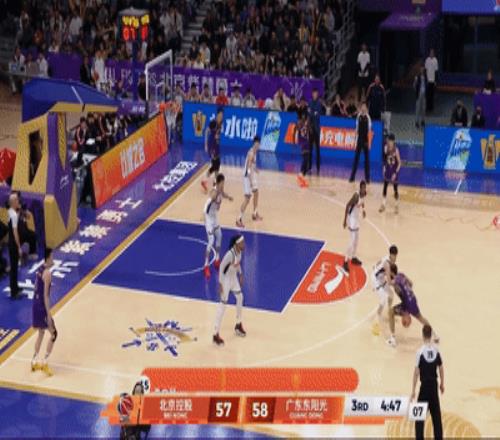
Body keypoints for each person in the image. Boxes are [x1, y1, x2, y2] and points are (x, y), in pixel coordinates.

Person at [387, 265, 438, 347]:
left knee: (391, 312)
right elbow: (411, 283)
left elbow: (389, 283)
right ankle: (435, 335)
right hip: (412, 299)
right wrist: (406, 291)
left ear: (391, 272)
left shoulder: (395, 280)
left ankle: (392, 339)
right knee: (420, 318)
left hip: (407, 303)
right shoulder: (401, 275)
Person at [411, 324, 444, 440]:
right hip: (434, 386)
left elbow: (416, 373)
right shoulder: (436, 350)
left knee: (419, 417)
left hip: (424, 387)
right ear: (430, 335)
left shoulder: (419, 352)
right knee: (436, 417)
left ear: (423, 335)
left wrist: (413, 390)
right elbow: (441, 368)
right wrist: (442, 384)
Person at [213, 234, 246, 346]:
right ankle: (215, 334)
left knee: (240, 297)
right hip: (226, 280)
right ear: (236, 244)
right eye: (242, 243)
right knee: (223, 305)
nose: (244, 244)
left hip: (233, 278)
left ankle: (238, 324)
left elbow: (238, 264)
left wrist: (240, 274)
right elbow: (221, 267)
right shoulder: (229, 254)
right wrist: (220, 284)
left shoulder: (239, 252)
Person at [31, 248, 57, 376]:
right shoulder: (47, 273)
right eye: (52, 256)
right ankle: (45, 362)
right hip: (42, 307)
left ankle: (34, 361)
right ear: (48, 258)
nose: (53, 259)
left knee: (41, 333)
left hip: (35, 305)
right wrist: (49, 314)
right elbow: (46, 296)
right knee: (54, 334)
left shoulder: (40, 269)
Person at [204, 174, 233, 279]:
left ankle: (217, 259)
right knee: (211, 241)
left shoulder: (220, 190)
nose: (224, 184)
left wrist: (228, 197)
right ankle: (206, 266)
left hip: (214, 216)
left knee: (219, 236)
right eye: (223, 182)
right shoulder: (214, 192)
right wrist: (205, 215)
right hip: (208, 218)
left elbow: (223, 194)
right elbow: (209, 202)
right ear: (219, 182)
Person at [371, 245, 398, 336]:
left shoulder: (387, 258)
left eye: (396, 256)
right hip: (376, 279)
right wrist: (398, 282)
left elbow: (377, 263)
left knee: (391, 295)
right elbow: (389, 282)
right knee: (382, 301)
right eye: (394, 256)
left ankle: (389, 312)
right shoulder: (387, 264)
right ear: (391, 255)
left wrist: (376, 267)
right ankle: (375, 324)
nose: (395, 258)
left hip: (381, 278)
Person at [236, 137, 262, 227]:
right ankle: (238, 219)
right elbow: (248, 169)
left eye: (258, 145)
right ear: (254, 144)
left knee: (256, 192)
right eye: (256, 144)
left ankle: (254, 213)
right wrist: (250, 181)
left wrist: (256, 169)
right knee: (247, 198)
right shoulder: (251, 153)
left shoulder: (255, 152)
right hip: (247, 177)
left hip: (251, 176)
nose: (257, 146)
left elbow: (252, 165)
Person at [342, 180, 367, 273]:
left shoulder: (364, 194)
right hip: (351, 219)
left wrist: (363, 210)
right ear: (360, 188)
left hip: (356, 218)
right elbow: (347, 205)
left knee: (356, 240)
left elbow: (362, 202)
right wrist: (345, 220)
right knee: (351, 241)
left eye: (365, 188)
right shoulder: (356, 196)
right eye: (363, 188)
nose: (364, 189)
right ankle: (345, 261)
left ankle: (353, 257)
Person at [201, 108, 223, 192]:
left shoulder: (221, 123)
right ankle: (207, 182)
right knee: (215, 166)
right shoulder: (213, 122)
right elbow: (206, 131)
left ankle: (214, 183)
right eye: (220, 115)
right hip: (212, 146)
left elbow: (218, 134)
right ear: (217, 115)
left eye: (222, 115)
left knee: (217, 165)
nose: (221, 117)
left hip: (216, 145)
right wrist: (206, 144)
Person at [349, 102, 372, 183]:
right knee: (356, 159)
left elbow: (369, 131)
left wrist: (369, 143)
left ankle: (367, 179)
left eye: (364, 107)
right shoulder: (358, 116)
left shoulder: (368, 118)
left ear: (366, 108)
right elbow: (356, 129)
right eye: (362, 106)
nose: (363, 108)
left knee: (367, 160)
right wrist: (355, 140)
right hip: (359, 140)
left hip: (365, 140)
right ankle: (352, 177)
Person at [379, 134, 401, 213]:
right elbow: (384, 159)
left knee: (395, 189)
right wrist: (384, 167)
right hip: (388, 169)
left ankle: (396, 205)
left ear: (393, 141)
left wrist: (395, 173)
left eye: (390, 141)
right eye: (388, 140)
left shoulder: (396, 150)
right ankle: (383, 204)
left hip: (394, 170)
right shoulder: (385, 148)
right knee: (385, 186)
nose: (389, 142)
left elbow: (399, 163)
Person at [8, 193, 23, 299]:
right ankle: (14, 292)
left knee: (14, 267)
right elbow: (15, 232)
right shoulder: (13, 215)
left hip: (10, 242)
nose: (18, 201)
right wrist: (19, 247)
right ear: (13, 202)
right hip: (13, 244)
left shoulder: (10, 211)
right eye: (17, 200)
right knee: (14, 267)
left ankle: (15, 287)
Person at [308, 87, 324, 174]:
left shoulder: (319, 103)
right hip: (311, 129)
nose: (315, 95)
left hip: (317, 129)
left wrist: (313, 113)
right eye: (314, 93)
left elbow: (317, 114)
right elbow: (309, 114)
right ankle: (309, 167)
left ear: (317, 95)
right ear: (312, 94)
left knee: (317, 149)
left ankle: (318, 167)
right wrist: (313, 113)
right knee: (310, 149)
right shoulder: (310, 102)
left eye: (316, 94)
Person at [294, 110, 310, 188]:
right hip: (303, 143)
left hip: (306, 142)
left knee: (306, 161)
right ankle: (300, 174)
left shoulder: (306, 125)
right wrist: (295, 141)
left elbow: (308, 132)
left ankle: (302, 177)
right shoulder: (300, 124)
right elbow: (296, 130)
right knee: (305, 159)